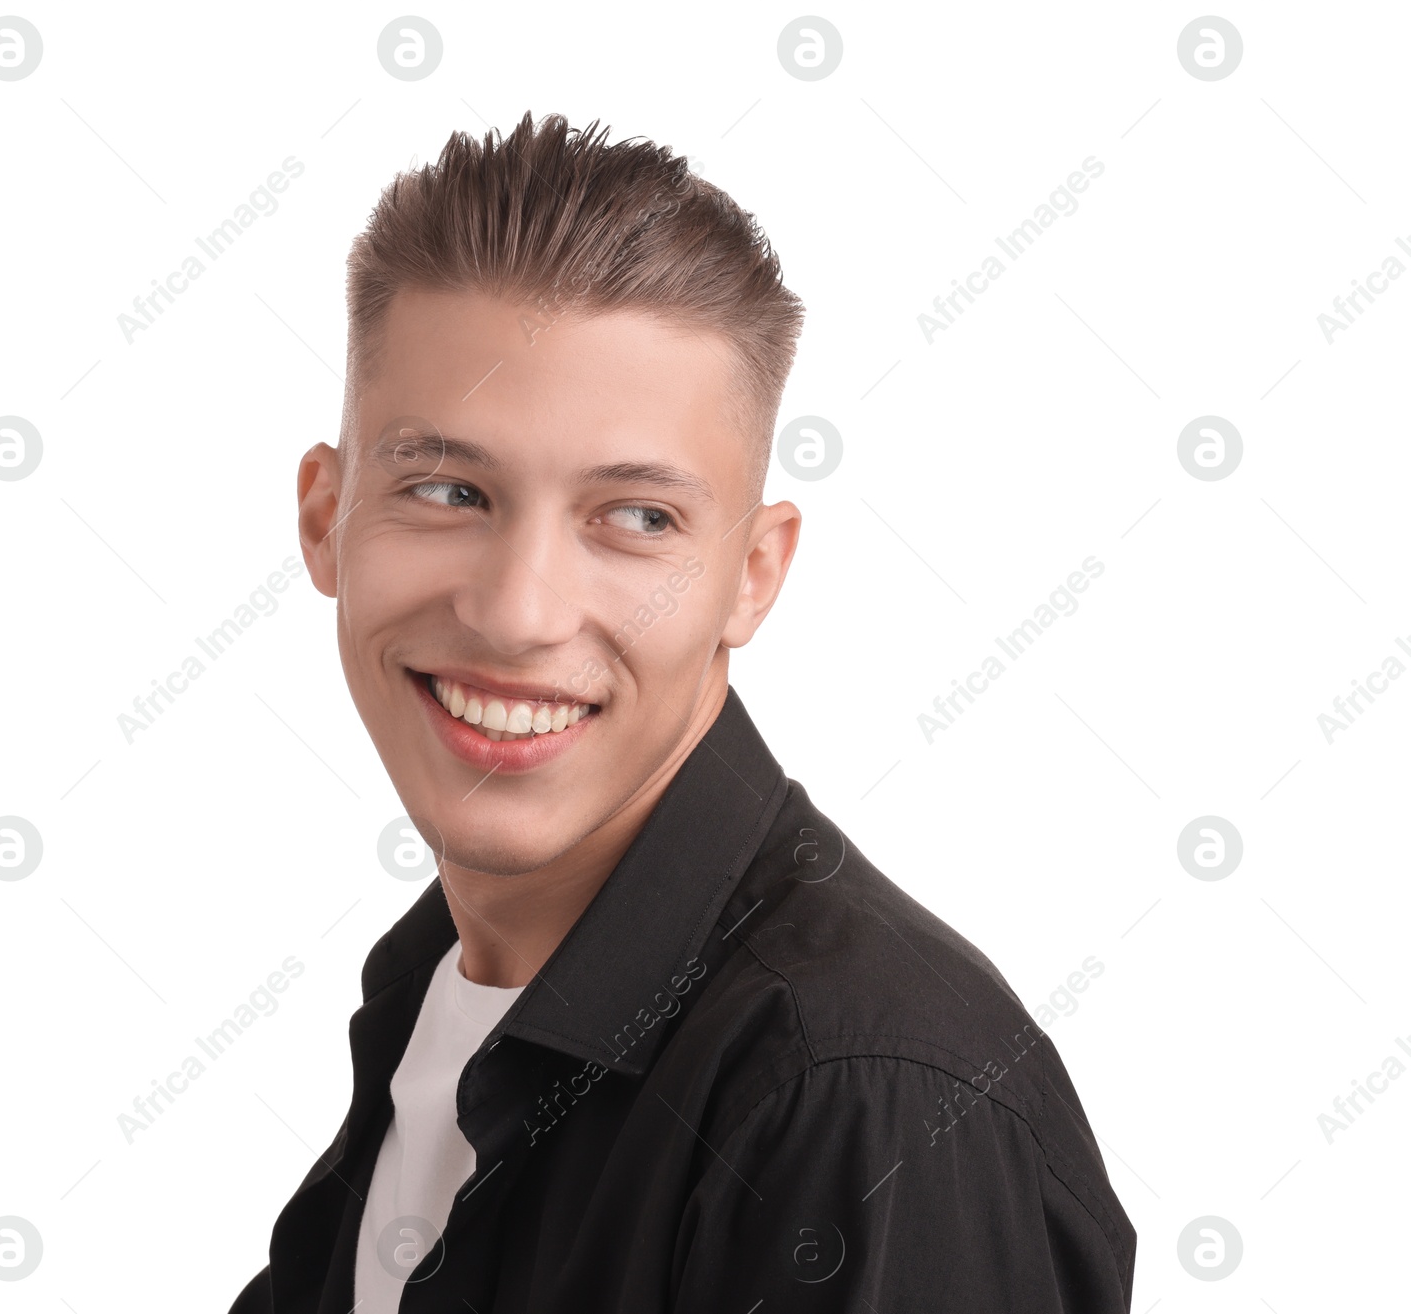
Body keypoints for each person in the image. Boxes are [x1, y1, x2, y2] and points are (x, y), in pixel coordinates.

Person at [229, 111, 1135, 1313]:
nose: (517, 613)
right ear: (322, 519)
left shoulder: (860, 1101)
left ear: (752, 576)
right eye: (449, 490)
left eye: (636, 518)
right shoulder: (439, 993)